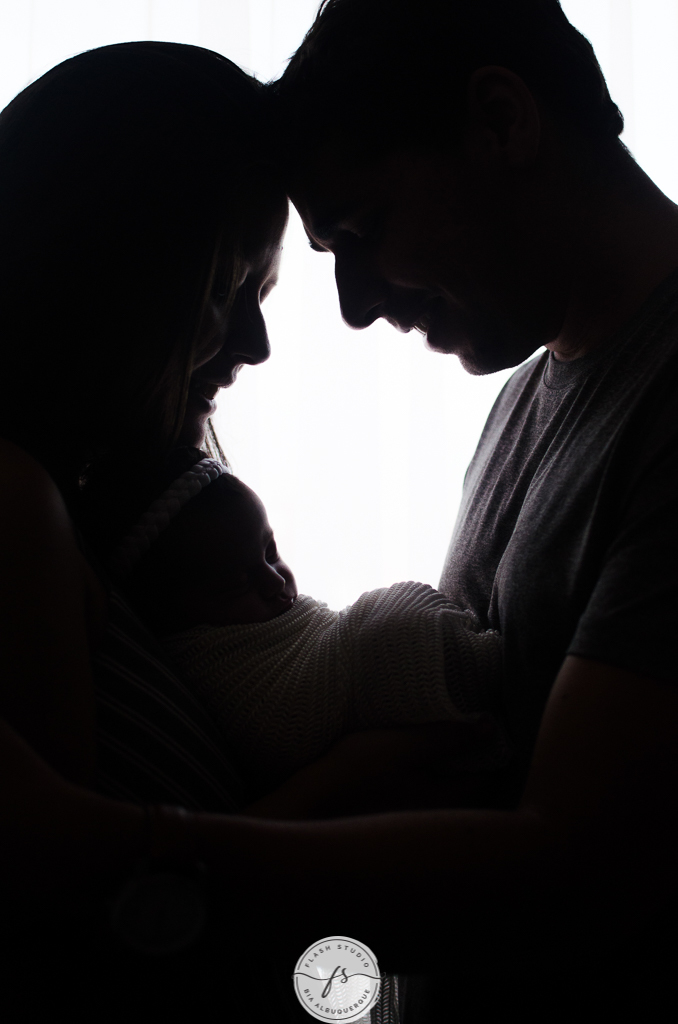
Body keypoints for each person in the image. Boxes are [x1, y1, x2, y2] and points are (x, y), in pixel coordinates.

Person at [269, 0, 678, 1014]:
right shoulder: (517, 405)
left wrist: (133, 852)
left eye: (362, 231)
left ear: (501, 122)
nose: (356, 306)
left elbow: (575, 876)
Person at [82, 444, 506, 795]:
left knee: (381, 627)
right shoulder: (212, 663)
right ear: (173, 614)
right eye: (236, 584)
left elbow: (324, 635)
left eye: (271, 552)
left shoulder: (278, 620)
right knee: (384, 634)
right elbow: (280, 731)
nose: (274, 580)